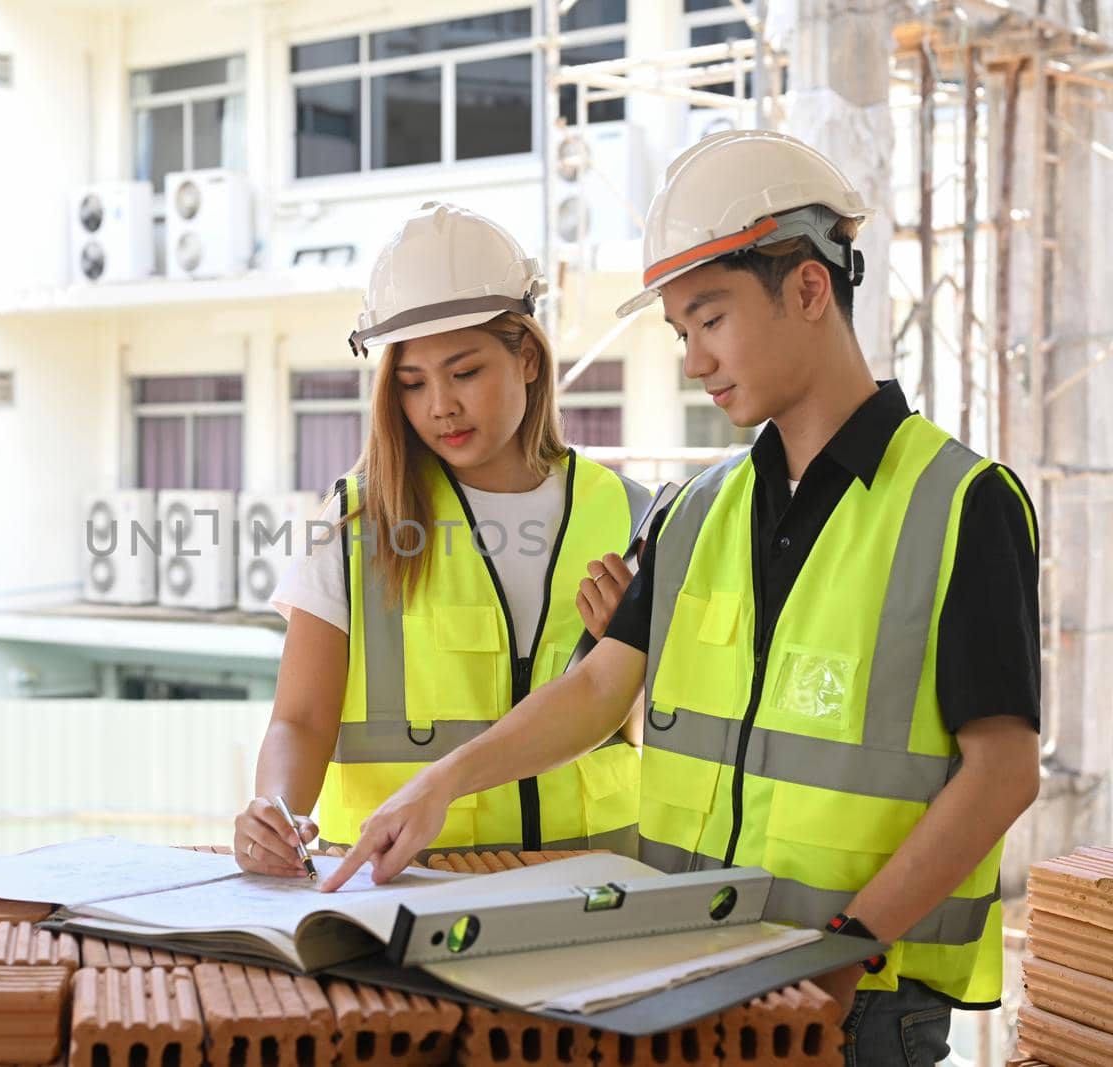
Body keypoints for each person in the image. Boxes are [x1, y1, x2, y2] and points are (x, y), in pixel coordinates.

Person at [320, 132, 1041, 1066]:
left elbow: (1002, 772)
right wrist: (443, 780)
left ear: (810, 290)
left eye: (711, 319)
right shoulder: (695, 510)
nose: (695, 359)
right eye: (679, 333)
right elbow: (593, 693)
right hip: (685, 973)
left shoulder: (962, 506)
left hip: (860, 1003)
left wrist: (844, 947)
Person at [233, 202, 651, 879]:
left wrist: (630, 671)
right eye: (412, 383)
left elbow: (645, 730)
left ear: (527, 358)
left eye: (464, 373)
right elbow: (301, 720)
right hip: (399, 898)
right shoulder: (356, 525)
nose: (439, 407)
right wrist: (273, 810)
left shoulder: (632, 516)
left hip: (593, 888)